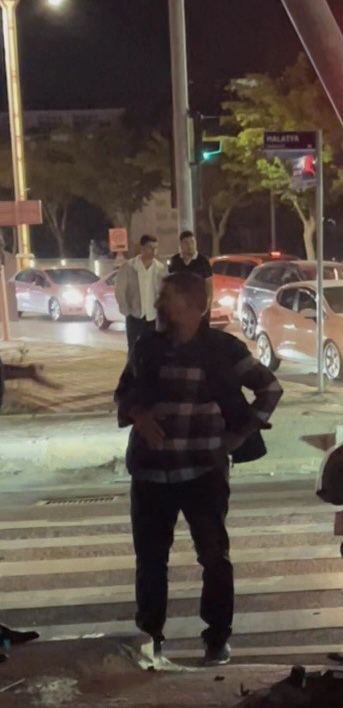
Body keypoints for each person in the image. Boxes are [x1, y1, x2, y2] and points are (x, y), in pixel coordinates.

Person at [115, 270, 283, 665]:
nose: (160, 305)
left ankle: (217, 638)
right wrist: (138, 414)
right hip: (150, 472)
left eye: (169, 298)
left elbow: (270, 389)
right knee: (151, 559)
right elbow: (123, 393)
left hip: (204, 471)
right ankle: (151, 636)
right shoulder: (146, 346)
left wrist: (238, 437)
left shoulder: (223, 349)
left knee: (213, 556)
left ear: (197, 308)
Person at [115, 235, 167, 353]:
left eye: (155, 248)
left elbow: (165, 292)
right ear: (142, 248)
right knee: (134, 349)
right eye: (150, 247)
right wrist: (126, 311)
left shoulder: (161, 269)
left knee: (153, 351)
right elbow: (120, 290)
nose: (153, 251)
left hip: (153, 317)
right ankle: (133, 371)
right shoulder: (128, 267)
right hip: (135, 315)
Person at [168, 230, 214, 312]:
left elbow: (209, 285)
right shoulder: (175, 261)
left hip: (199, 307)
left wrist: (208, 305)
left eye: (192, 242)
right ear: (181, 245)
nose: (190, 245)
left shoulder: (203, 261)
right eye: (186, 243)